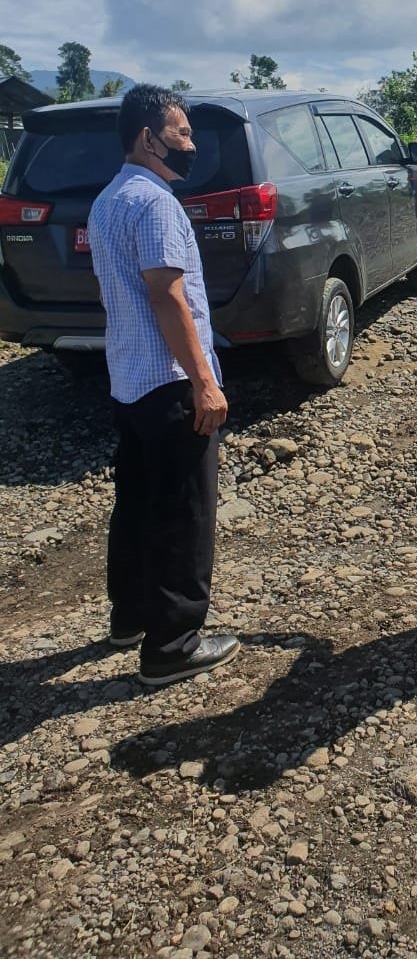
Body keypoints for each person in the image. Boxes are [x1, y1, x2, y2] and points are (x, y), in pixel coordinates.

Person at [88, 84, 239, 687]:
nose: (191, 144)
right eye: (181, 133)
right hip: (171, 382)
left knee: (138, 505)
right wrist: (204, 381)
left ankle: (130, 617)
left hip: (129, 379)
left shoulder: (108, 199)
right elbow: (167, 295)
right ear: (147, 137)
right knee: (185, 513)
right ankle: (173, 644)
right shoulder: (155, 204)